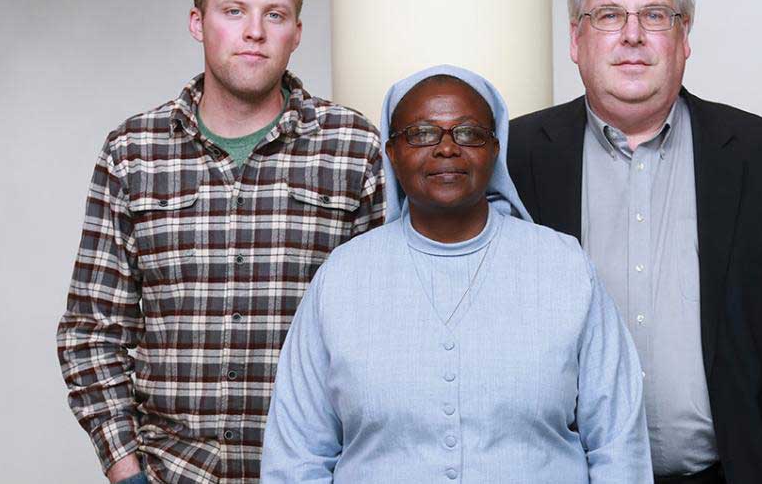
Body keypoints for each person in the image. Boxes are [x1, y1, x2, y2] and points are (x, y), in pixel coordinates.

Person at [507, 0, 762, 484]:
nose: (633, 35)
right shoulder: (511, 158)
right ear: (575, 38)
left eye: (655, 15)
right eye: (608, 15)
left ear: (684, 37)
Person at [57, 0, 384, 484]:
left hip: (316, 469)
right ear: (198, 21)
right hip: (171, 471)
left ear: (296, 31)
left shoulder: (352, 147)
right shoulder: (133, 152)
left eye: (274, 14)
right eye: (233, 11)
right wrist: (126, 471)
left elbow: (386, 324)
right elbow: (92, 329)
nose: (254, 31)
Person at [259, 65, 653, 483]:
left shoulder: (564, 267)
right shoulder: (342, 278)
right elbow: (297, 455)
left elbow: (618, 443)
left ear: (495, 148)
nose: (447, 149)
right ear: (392, 153)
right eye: (421, 134)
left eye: (468, 133)